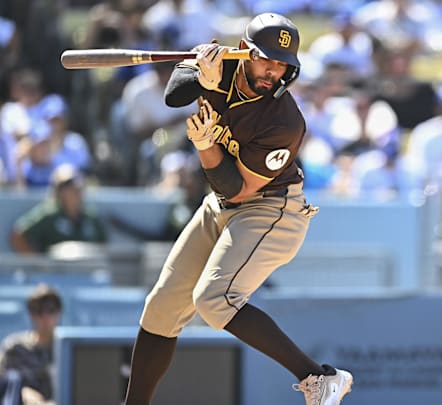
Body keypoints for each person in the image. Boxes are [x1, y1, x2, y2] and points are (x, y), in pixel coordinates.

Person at [122, 13, 353, 405]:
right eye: (266, 59)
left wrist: (207, 127)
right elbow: (174, 95)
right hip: (221, 205)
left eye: (282, 63)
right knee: (161, 307)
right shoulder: (225, 66)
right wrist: (199, 69)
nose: (273, 70)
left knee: (214, 299)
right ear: (245, 51)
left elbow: (240, 188)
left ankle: (318, 377)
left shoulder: (285, 121)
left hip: (271, 209)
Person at [9, 164, 107, 254]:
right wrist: (37, 263)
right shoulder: (48, 214)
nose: (74, 190)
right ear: (58, 191)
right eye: (67, 186)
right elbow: (18, 235)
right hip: (56, 271)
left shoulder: (91, 216)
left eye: (77, 185)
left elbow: (102, 245)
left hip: (87, 270)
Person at [0, 284, 63, 405]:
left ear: (59, 312)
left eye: (50, 309)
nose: (45, 316)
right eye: (38, 310)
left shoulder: (69, 350)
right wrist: (21, 392)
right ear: (31, 315)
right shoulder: (15, 348)